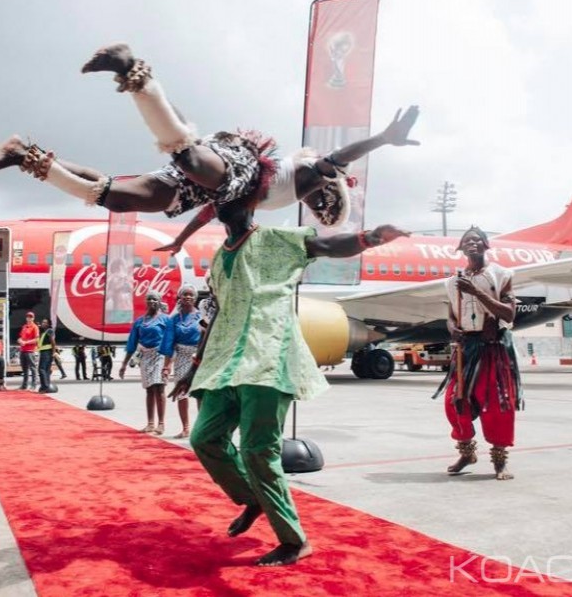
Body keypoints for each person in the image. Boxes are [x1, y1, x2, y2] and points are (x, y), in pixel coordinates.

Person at [169, 192, 408, 566]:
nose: (227, 204)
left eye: (236, 197)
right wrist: (195, 364)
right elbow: (218, 312)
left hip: (268, 357)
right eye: (221, 200)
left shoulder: (277, 239)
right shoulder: (218, 259)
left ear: (252, 205)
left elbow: (327, 244)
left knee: (257, 451)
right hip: (225, 361)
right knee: (204, 438)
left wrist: (371, 237)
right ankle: (252, 498)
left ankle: (294, 541)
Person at [0, 43, 419, 234]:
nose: (322, 206)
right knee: (188, 157)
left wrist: (182, 241)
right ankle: (132, 69)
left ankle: (22, 154)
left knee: (114, 198)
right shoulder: (308, 174)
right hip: (238, 165)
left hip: (210, 189)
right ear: (331, 185)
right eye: (329, 200)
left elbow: (213, 213)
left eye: (324, 212)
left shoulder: (285, 203)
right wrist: (382, 138)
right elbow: (340, 156)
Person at [434, 226, 522, 482]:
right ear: (460, 248)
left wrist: (476, 292)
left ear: (486, 245)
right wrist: (453, 330)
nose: (472, 243)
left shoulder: (501, 275)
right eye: (466, 241)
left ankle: (499, 459)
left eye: (477, 239)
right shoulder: (452, 282)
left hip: (493, 349)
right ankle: (466, 452)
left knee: (496, 405)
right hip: (466, 350)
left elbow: (508, 314)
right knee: (455, 403)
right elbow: (451, 315)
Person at [120, 290, 173, 435]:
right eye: (149, 299)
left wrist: (168, 364)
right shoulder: (139, 321)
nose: (152, 302)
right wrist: (124, 364)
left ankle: (161, 423)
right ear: (146, 302)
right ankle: (150, 423)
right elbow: (132, 343)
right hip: (145, 356)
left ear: (159, 301)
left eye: (155, 299)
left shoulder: (166, 320)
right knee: (149, 389)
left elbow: (169, 341)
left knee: (159, 388)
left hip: (160, 355)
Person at [165, 284, 202, 439]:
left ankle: (201, 429)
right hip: (181, 357)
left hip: (199, 356)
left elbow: (207, 337)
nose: (188, 297)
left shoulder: (202, 316)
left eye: (191, 294)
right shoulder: (173, 319)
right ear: (179, 297)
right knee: (181, 393)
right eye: (185, 294)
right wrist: (167, 366)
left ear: (195, 298)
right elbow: (170, 344)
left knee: (200, 394)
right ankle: (185, 428)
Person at [17, 312, 39, 391]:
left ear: (33, 318)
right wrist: (19, 340)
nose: (29, 318)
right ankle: (24, 385)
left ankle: (34, 384)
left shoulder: (34, 327)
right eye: (28, 317)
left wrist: (26, 342)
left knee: (33, 368)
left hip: (30, 350)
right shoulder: (24, 326)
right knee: (24, 369)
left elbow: (36, 339)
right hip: (23, 350)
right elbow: (20, 337)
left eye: (31, 317)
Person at [36, 318, 57, 393]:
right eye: (43, 322)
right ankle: (46, 385)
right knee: (46, 370)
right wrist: (38, 326)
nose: (43, 323)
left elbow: (53, 342)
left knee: (41, 369)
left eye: (45, 322)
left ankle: (45, 386)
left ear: (48, 324)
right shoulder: (44, 331)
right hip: (44, 352)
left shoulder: (49, 331)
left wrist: (54, 352)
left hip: (47, 352)